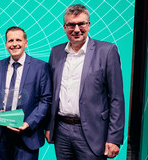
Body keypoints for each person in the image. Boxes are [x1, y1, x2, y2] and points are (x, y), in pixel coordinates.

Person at [45, 4, 125, 160]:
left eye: (81, 24)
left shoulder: (107, 51)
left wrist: (114, 138)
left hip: (92, 131)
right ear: (64, 27)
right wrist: (50, 126)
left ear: (88, 25)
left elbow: (117, 98)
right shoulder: (56, 52)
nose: (76, 29)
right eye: (71, 25)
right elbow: (52, 93)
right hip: (61, 130)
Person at [0, 26, 52, 160]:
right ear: (6, 44)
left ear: (26, 43)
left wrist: (28, 123)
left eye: (18, 40)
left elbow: (46, 100)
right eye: (10, 40)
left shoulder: (40, 67)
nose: (14, 44)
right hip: (3, 134)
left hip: (27, 134)